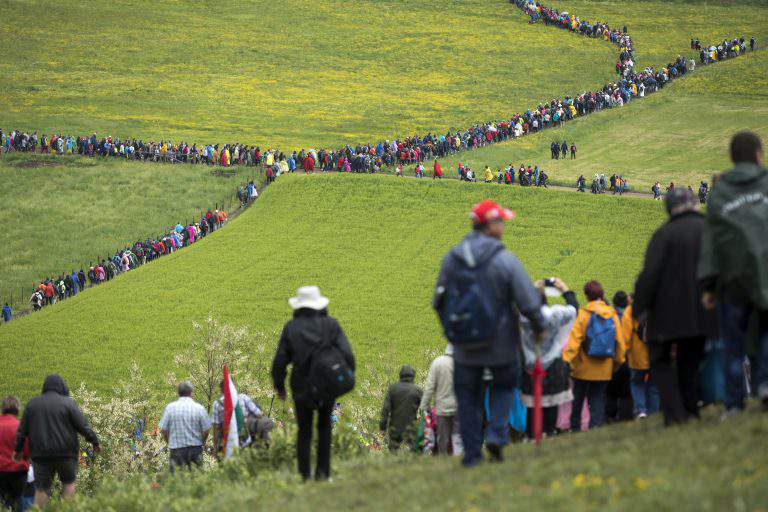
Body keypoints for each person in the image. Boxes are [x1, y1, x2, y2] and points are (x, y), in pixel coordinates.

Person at [433, 200, 544, 466]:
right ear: (490, 225)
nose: (503, 226)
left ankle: (472, 455)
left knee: (468, 397)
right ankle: (496, 435)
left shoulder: (452, 258)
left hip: (464, 346)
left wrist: (452, 332)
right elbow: (529, 301)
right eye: (500, 222)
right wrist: (539, 325)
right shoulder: (505, 261)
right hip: (502, 343)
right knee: (504, 387)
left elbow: (438, 301)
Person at [698, 132, 768, 416]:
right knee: (765, 331)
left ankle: (734, 404)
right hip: (764, 272)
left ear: (731, 157)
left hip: (732, 277)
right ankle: (764, 386)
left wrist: (709, 285)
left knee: (733, 343)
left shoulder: (721, 191)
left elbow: (712, 241)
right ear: (758, 154)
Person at [633, 188, 710, 426]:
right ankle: (690, 409)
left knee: (659, 360)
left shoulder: (664, 234)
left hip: (667, 311)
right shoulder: (710, 231)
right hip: (702, 309)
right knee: (691, 359)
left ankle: (675, 414)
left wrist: (638, 308)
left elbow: (650, 274)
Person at [272, 286, 355, 481]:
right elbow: (347, 354)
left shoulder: (291, 327)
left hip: (301, 385)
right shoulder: (331, 325)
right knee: (325, 427)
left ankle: (304, 476)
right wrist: (345, 375)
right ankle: (323, 474)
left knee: (304, 430)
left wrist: (280, 386)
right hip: (326, 383)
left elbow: (280, 361)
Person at [13, 375, 99, 509]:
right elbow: (83, 426)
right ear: (62, 387)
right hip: (66, 454)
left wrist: (18, 451)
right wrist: (94, 441)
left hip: (41, 455)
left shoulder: (33, 404)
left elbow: (22, 431)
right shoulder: (68, 403)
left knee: (41, 489)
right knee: (68, 483)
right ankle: (67, 509)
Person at [562, 281, 627, 431]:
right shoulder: (611, 314)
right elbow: (620, 342)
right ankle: (595, 428)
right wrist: (617, 363)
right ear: (602, 295)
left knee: (577, 399)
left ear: (586, 296)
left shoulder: (584, 314)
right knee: (597, 399)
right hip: (604, 368)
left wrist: (566, 361)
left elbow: (574, 342)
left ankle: (575, 428)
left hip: (582, 368)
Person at [520, 278, 578, 438]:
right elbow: (574, 308)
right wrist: (565, 290)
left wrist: (530, 289)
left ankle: (532, 437)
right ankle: (550, 434)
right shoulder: (556, 314)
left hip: (530, 368)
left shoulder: (522, 317)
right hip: (553, 366)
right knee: (552, 404)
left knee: (532, 406)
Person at [158, 381, 211, 472]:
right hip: (195, 448)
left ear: (178, 393)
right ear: (191, 392)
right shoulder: (199, 408)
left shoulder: (170, 408)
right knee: (196, 479)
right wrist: (201, 441)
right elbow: (206, 429)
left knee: (177, 480)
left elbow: (163, 429)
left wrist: (169, 442)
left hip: (176, 450)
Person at [419, 344, 461, 456]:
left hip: (442, 409)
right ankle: (457, 459)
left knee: (442, 438)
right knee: (457, 437)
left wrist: (423, 405)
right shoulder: (461, 363)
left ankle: (443, 459)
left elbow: (430, 387)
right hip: (458, 407)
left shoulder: (438, 362)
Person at [622, 299, 660, 419]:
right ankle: (654, 412)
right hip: (655, 353)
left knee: (637, 383)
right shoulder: (657, 304)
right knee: (653, 386)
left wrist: (624, 353)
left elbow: (626, 337)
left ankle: (641, 410)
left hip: (637, 357)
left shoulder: (630, 310)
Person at [212, 382, 274, 454]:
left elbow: (216, 427)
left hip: (231, 435)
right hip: (248, 431)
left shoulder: (217, 404)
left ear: (221, 390)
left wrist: (215, 447)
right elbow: (259, 413)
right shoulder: (242, 397)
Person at [380, 366, 423, 451]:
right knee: (416, 449)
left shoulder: (393, 389)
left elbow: (386, 409)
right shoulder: (417, 390)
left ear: (400, 375)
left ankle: (394, 463)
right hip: (411, 426)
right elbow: (425, 408)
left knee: (393, 450)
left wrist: (382, 427)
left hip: (395, 427)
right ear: (413, 376)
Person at [1, 397, 28, 511]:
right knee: (20, 500)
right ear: (17, 409)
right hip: (18, 471)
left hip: (1, 470)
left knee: (3, 502)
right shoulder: (20, 426)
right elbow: (27, 450)